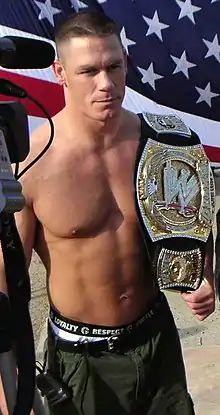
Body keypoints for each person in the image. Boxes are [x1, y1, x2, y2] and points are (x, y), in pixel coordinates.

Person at [0, 10, 215, 415]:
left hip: (156, 342)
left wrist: (203, 275)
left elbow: (192, 222)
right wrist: (11, 388)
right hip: (83, 362)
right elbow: (4, 286)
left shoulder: (162, 143)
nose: (106, 84)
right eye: (89, 71)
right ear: (61, 73)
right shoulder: (32, 165)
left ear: (126, 63)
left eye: (114, 66)